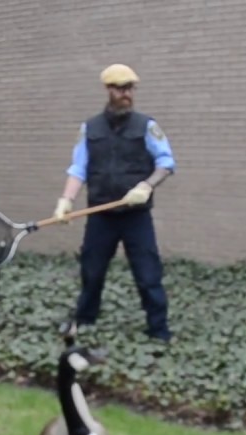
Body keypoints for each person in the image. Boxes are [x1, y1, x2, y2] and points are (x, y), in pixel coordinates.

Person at [53, 63, 177, 342]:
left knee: (148, 275)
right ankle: (85, 320)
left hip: (136, 215)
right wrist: (66, 200)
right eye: (121, 89)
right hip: (101, 216)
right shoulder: (90, 129)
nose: (127, 95)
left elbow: (166, 163)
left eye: (130, 89)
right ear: (109, 90)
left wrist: (147, 185)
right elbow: (78, 168)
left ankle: (159, 331)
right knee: (92, 270)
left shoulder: (148, 126)